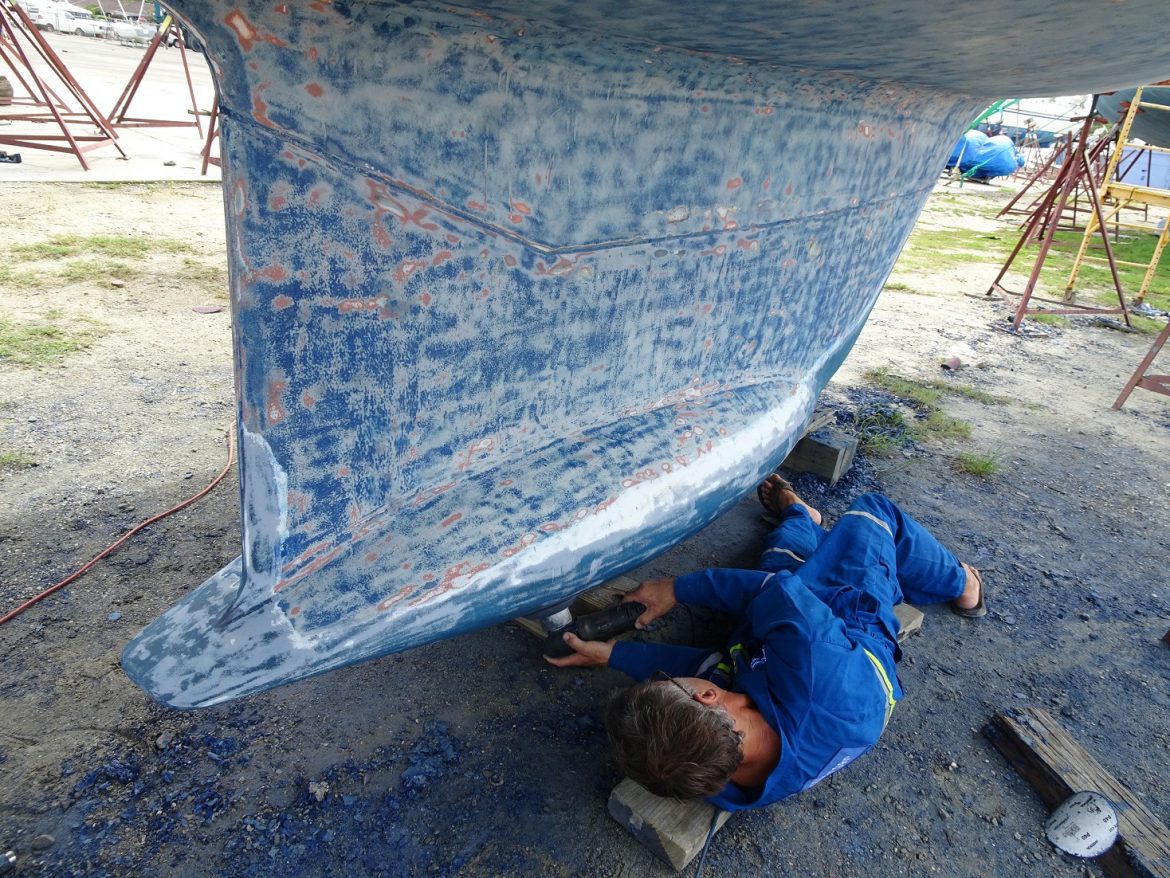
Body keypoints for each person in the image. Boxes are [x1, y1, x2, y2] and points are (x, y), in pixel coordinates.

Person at [544, 475, 986, 811]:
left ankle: (801, 517)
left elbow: (707, 668)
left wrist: (614, 655)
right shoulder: (814, 662)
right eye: (664, 680)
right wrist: (674, 589)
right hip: (852, 626)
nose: (670, 676)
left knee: (782, 563)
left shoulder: (720, 774)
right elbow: (765, 595)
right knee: (870, 515)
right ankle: (964, 584)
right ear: (709, 697)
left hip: (797, 666)